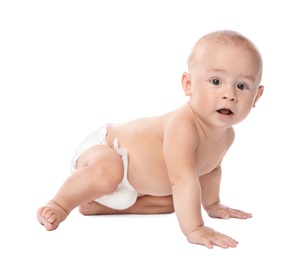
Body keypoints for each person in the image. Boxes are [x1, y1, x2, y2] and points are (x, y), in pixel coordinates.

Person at [37, 29, 264, 249]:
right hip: (107, 151)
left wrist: (212, 204)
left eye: (242, 86)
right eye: (216, 82)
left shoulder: (227, 135)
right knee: (111, 171)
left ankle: (105, 207)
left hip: (135, 187)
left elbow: (211, 169)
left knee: (174, 203)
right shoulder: (183, 126)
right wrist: (195, 228)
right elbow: (183, 179)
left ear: (257, 96)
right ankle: (59, 204)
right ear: (188, 84)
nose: (229, 94)